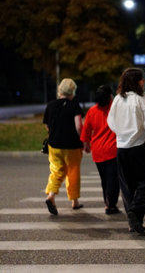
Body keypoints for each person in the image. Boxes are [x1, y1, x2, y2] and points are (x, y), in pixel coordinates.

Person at [107, 68, 145, 233]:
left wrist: (122, 133)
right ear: (138, 82)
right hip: (140, 147)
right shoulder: (141, 100)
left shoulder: (118, 99)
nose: (143, 82)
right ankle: (135, 213)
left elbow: (110, 122)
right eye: (142, 80)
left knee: (128, 186)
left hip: (121, 148)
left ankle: (134, 222)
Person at [43, 78, 84, 215]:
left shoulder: (51, 105)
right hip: (72, 145)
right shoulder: (74, 105)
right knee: (73, 172)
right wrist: (83, 140)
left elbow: (47, 125)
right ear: (73, 91)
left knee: (56, 171)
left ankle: (51, 195)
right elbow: (78, 126)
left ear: (60, 90)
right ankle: (74, 201)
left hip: (54, 145)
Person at [80, 85, 120, 215]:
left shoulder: (92, 111)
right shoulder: (115, 110)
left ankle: (107, 202)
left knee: (104, 179)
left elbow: (86, 130)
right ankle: (110, 205)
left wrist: (86, 145)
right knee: (113, 179)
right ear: (109, 97)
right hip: (112, 150)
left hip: (97, 151)